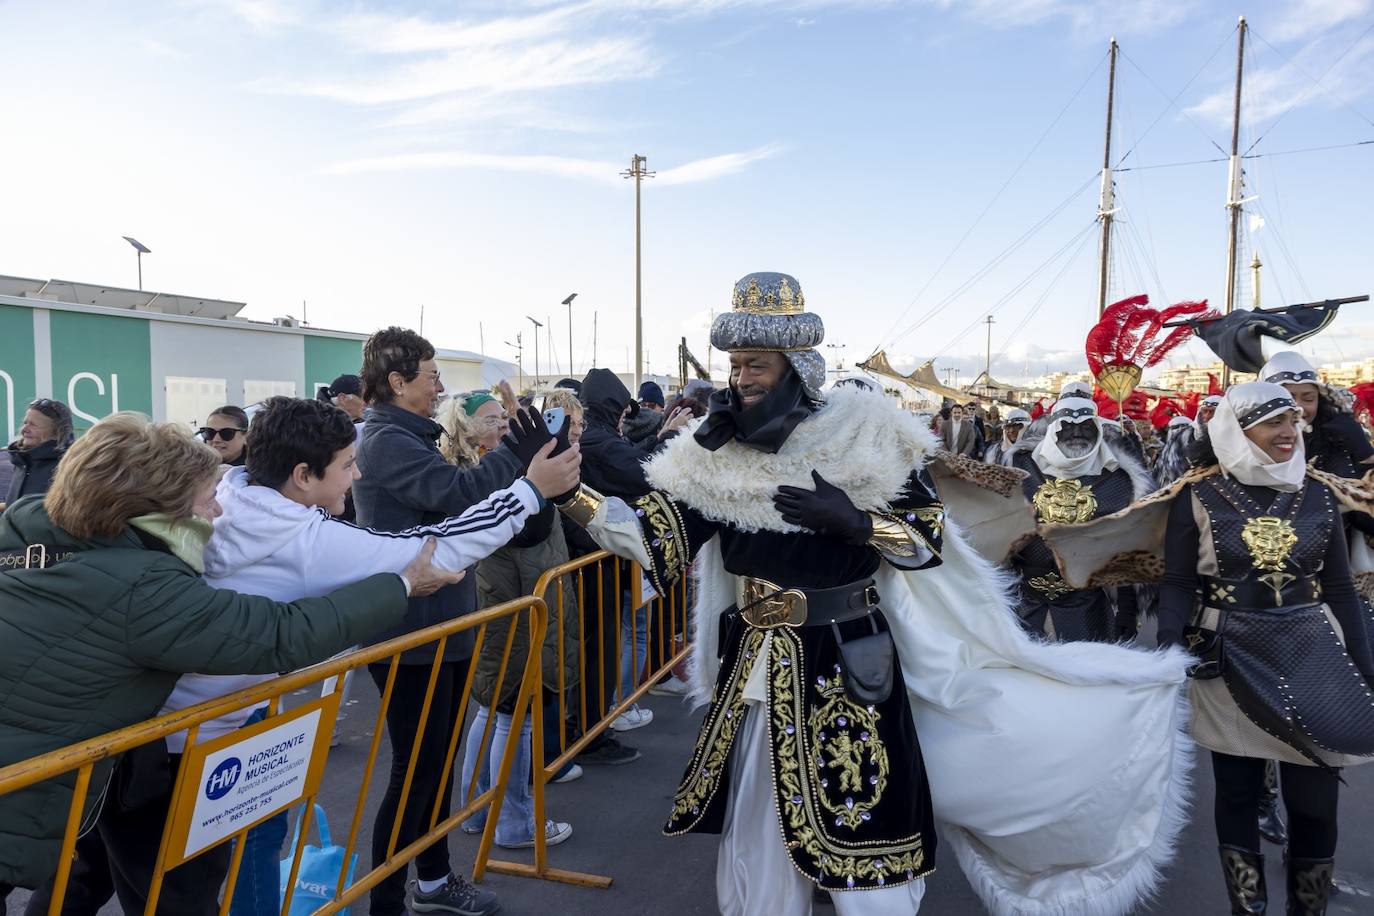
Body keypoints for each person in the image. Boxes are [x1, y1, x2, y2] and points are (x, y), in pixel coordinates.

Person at [554, 272, 1193, 916]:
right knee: (757, 844)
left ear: (798, 366)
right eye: (736, 364)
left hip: (848, 661)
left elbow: (927, 540)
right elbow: (657, 542)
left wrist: (860, 522)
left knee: (870, 842)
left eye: (757, 365)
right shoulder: (709, 453)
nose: (742, 378)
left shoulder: (872, 439)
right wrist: (565, 493)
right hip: (756, 666)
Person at [0, 413, 456, 912]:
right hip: (40, 788)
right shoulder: (144, 587)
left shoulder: (29, 532)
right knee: (170, 893)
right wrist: (401, 584)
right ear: (153, 507)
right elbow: (282, 634)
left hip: (68, 766)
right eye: (203, 499)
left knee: (81, 877)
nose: (218, 511)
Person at [159, 396, 575, 916]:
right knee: (248, 851)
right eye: (347, 465)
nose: (356, 475)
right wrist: (530, 491)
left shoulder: (233, 493)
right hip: (209, 729)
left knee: (176, 870)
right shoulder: (304, 538)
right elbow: (435, 548)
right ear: (303, 475)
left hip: (192, 715)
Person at [352, 327, 558, 916]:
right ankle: (388, 901)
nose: (440, 384)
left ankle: (436, 881)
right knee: (415, 772)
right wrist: (521, 464)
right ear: (396, 382)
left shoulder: (409, 434)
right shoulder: (385, 440)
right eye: (431, 373)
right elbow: (456, 494)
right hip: (412, 633)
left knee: (434, 769)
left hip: (442, 625)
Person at [1151, 383, 1374, 915]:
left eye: (1294, 422)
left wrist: (1366, 666)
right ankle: (1247, 910)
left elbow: (1340, 587)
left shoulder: (1319, 492)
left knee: (1315, 806)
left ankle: (1308, 910)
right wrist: (1165, 651)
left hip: (1312, 650)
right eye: (1274, 422)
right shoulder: (1196, 495)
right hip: (1228, 652)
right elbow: (1178, 582)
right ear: (1236, 429)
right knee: (1236, 795)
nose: (1288, 433)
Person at [1005, 396, 1152, 641]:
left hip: (1085, 603)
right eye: (1068, 427)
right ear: (1053, 428)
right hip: (1023, 600)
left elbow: (1128, 551)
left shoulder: (1119, 479)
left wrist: (1127, 609)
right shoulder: (1019, 467)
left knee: (1084, 674)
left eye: (1085, 426)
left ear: (1096, 428)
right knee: (1020, 675)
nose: (1076, 434)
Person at [5, 398, 74, 506]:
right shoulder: (21, 461)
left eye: (33, 425)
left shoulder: (68, 466)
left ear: (56, 432)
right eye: (25, 423)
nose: (24, 430)